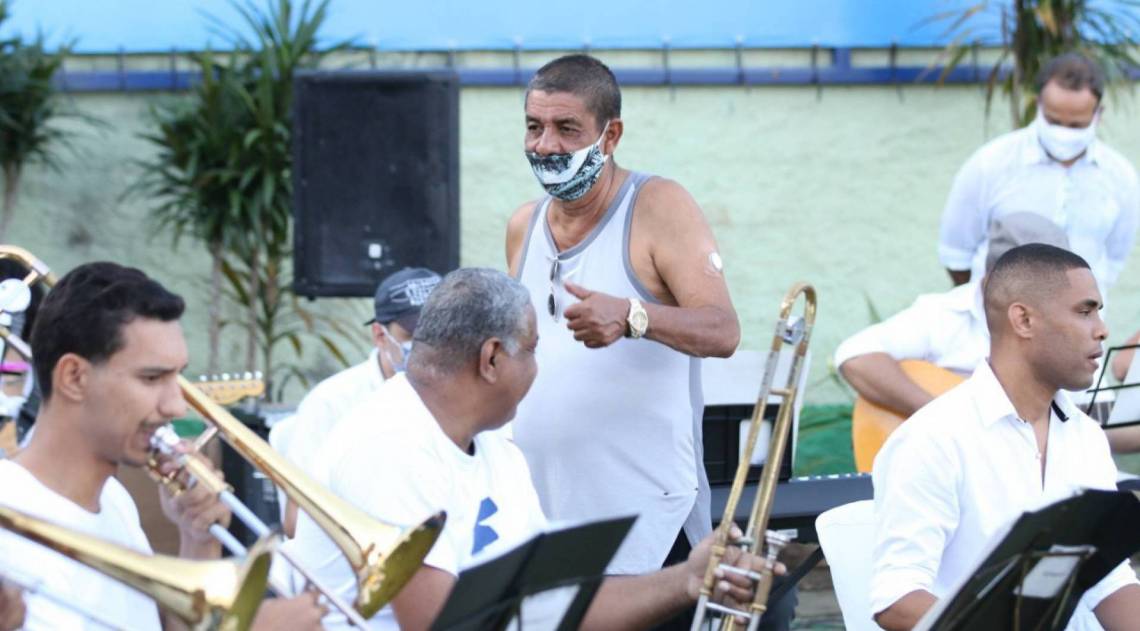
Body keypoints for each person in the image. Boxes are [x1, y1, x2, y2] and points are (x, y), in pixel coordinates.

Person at [289, 268, 780, 631]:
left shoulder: (495, 445)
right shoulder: (388, 447)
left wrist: (690, 579)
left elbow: (549, 604)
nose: (537, 369)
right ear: (492, 358)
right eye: (532, 350)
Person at [503, 54, 760, 628]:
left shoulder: (658, 205)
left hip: (649, 526)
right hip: (548, 522)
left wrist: (632, 316)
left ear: (611, 135)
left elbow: (723, 330)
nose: (545, 145)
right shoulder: (523, 225)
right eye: (534, 126)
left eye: (567, 128)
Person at [0, 261, 324, 630]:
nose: (176, 406)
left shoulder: (113, 498)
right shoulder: (13, 527)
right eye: (152, 378)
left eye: (176, 377)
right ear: (74, 378)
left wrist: (197, 537)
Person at [871, 244, 1140, 630]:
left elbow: (1107, 580)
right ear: (1024, 320)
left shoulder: (1086, 436)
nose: (1102, 329)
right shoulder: (932, 438)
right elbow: (897, 599)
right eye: (1085, 311)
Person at [938, 53, 1139, 293]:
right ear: (1038, 105)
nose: (1063, 133)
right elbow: (956, 257)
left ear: (1098, 114)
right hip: (994, 315)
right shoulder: (989, 164)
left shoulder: (1121, 177)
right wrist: (988, 306)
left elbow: (1114, 258)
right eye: (1054, 121)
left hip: (1081, 315)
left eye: (1076, 125)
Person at [838, 212, 1068, 418]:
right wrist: (940, 417)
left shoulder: (1067, 330)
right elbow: (855, 356)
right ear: (993, 273)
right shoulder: (942, 314)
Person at [280, 267, 440, 535]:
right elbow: (296, 520)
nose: (429, 347)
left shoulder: (459, 395)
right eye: (413, 336)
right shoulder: (330, 402)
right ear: (380, 335)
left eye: (439, 334)